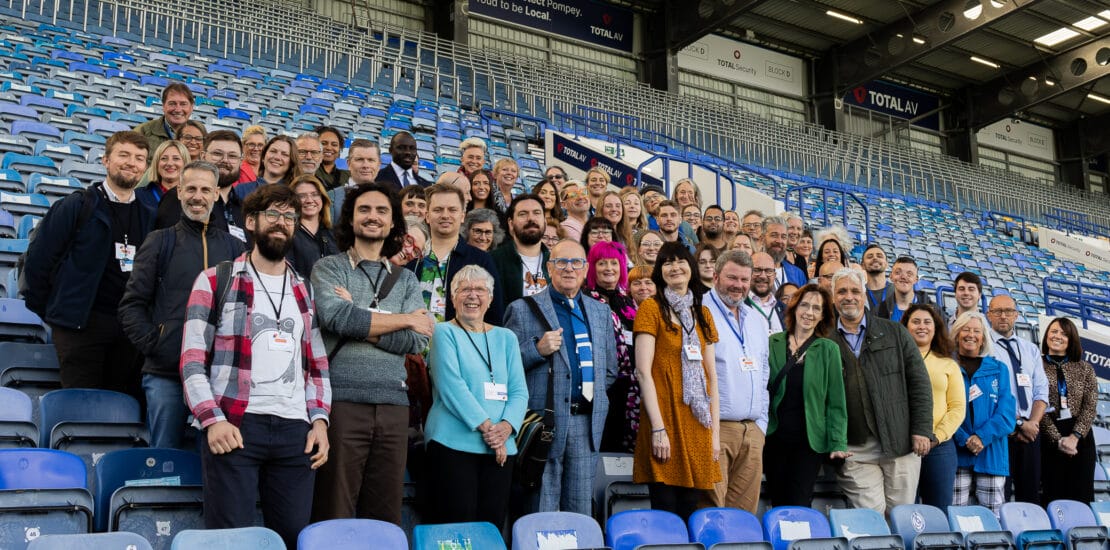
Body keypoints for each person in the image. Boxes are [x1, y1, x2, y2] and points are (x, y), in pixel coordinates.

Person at [179, 184, 330, 549]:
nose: (282, 223)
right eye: (274, 215)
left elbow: (317, 365)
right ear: (251, 221)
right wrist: (212, 420)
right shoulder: (216, 279)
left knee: (293, 537)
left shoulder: (303, 288)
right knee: (232, 540)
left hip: (296, 431)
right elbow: (191, 360)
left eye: (290, 217)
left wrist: (321, 422)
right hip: (236, 424)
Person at [309, 182, 432, 524]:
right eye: (364, 209)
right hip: (342, 403)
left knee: (385, 513)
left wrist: (363, 319)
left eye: (382, 211)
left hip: (394, 406)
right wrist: (403, 319)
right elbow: (336, 317)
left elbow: (416, 342)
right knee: (335, 507)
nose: (373, 217)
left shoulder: (406, 280)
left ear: (394, 223)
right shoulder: (329, 268)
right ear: (350, 218)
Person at [119, 161, 244, 449]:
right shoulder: (159, 241)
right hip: (167, 375)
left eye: (204, 190)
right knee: (165, 458)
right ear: (178, 191)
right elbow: (131, 305)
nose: (197, 196)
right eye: (190, 189)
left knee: (213, 462)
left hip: (217, 378)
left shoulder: (235, 249)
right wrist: (158, 343)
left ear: (216, 194)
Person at [22, 131, 154, 400]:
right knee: (81, 409)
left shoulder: (150, 214)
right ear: (105, 160)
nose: (132, 163)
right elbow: (38, 263)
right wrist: (59, 316)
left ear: (146, 167)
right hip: (80, 328)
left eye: (140, 158)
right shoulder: (76, 205)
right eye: (124, 155)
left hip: (129, 331)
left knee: (120, 412)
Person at [503, 239, 618, 516]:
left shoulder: (600, 312)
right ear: (549, 268)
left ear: (585, 268)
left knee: (579, 509)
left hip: (586, 423)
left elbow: (610, 370)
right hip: (545, 423)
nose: (569, 269)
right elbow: (505, 368)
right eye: (561, 262)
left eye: (576, 262)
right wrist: (536, 349)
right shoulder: (522, 309)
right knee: (540, 506)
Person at [425, 265, 528, 525]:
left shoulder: (507, 338)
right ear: (452, 297)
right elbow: (452, 387)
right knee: (457, 527)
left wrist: (506, 427)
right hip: (453, 444)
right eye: (465, 289)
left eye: (480, 289)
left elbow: (518, 391)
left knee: (491, 527)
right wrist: (491, 432)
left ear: (491, 298)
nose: (472, 296)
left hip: (502, 447)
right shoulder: (443, 332)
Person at [829, 268, 933, 515]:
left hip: (900, 441)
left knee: (902, 515)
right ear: (833, 297)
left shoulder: (895, 332)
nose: (849, 297)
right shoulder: (825, 340)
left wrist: (921, 429)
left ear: (864, 295)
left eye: (855, 291)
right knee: (872, 517)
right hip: (855, 447)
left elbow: (919, 382)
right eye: (842, 291)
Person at [632, 242, 720, 522]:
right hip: (664, 421)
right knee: (666, 510)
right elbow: (643, 372)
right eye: (667, 262)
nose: (674, 267)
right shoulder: (651, 308)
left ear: (690, 267)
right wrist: (658, 428)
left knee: (690, 510)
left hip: (697, 424)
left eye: (680, 260)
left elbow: (712, 379)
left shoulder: (703, 314)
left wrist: (715, 434)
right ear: (660, 271)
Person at [764, 284, 848, 507]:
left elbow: (836, 402)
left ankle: (797, 542)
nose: (809, 313)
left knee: (799, 502)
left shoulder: (829, 349)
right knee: (777, 501)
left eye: (816, 308)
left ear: (822, 316)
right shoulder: (773, 342)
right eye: (805, 305)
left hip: (808, 443)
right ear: (794, 307)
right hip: (774, 439)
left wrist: (837, 441)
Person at [704, 251, 772, 512]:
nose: (738, 285)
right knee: (711, 509)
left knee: (744, 514)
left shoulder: (755, 319)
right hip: (716, 430)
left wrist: (761, 426)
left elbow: (764, 372)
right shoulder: (699, 310)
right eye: (732, 277)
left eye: (745, 279)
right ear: (716, 275)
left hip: (752, 431)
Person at [407, 184, 502, 325]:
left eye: (452, 210)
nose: (445, 215)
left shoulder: (481, 260)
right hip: (411, 344)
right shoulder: (411, 257)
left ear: (462, 216)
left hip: (461, 345)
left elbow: (494, 314)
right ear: (427, 216)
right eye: (438, 210)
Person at [951, 311, 1015, 515]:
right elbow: (943, 410)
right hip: (956, 454)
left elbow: (1006, 414)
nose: (971, 335)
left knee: (992, 519)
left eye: (976, 331)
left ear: (983, 337)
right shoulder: (948, 366)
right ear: (956, 334)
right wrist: (964, 438)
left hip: (991, 454)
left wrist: (981, 437)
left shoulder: (999, 369)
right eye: (965, 329)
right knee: (956, 517)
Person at [987, 294, 1049, 504]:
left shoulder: (1030, 349)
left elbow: (1041, 392)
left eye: (1008, 311)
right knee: (999, 497)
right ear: (989, 315)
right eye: (997, 311)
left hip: (1031, 434)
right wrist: (1018, 424)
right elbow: (989, 395)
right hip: (1001, 432)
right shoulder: (984, 348)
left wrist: (1032, 423)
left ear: (1017, 315)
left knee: (1030, 495)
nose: (1003, 316)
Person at [902, 304, 965, 509]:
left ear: (936, 328)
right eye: (916, 321)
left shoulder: (948, 364)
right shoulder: (894, 361)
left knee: (938, 510)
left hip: (939, 447)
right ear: (905, 327)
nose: (922, 326)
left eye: (927, 322)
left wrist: (936, 437)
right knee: (904, 508)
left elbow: (957, 408)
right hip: (901, 446)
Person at [585, 241, 639, 454]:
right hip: (604, 386)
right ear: (592, 267)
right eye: (602, 263)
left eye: (614, 263)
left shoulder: (628, 302)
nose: (609, 268)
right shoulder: (587, 299)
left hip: (632, 387)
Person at [1039, 317, 1097, 505]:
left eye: (1064, 334)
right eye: (1054, 331)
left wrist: (1074, 437)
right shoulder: (1036, 365)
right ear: (1046, 334)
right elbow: (1037, 404)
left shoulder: (1084, 368)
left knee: (1081, 496)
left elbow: (1090, 406)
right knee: (1053, 496)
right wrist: (1058, 440)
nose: (1058, 336)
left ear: (1071, 339)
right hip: (1049, 437)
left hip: (1081, 439)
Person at [156, 130, 247, 241]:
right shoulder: (179, 197)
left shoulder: (244, 208)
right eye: (217, 154)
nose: (225, 160)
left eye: (232, 156)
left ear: (241, 161)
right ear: (203, 156)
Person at [492, 194, 550, 305]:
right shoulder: (493, 261)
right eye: (523, 214)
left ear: (545, 221)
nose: (531, 218)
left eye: (537, 213)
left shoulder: (556, 262)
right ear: (511, 223)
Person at [287, 175, 338, 278]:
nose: (309, 200)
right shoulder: (288, 233)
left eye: (315, 195)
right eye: (302, 196)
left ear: (322, 198)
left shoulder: (335, 234)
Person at [134, 82, 203, 151]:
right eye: (172, 104)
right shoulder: (143, 131)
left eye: (183, 104)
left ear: (191, 107)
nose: (178, 109)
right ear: (163, 106)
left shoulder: (202, 136)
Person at [327, 139, 381, 223]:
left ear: (379, 165)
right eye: (359, 159)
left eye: (371, 160)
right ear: (348, 164)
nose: (366, 165)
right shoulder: (331, 198)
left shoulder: (388, 198)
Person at [876, 257, 935, 322]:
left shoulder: (934, 310)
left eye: (909, 274)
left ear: (916, 279)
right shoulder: (879, 311)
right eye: (898, 272)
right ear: (891, 277)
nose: (903, 277)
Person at [136, 139, 188, 210]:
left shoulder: (193, 196)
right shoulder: (139, 195)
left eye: (176, 158)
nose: (169, 163)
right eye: (164, 158)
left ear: (185, 164)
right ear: (157, 163)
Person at [761, 216, 807, 289]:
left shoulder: (798, 274)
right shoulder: (751, 269)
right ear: (762, 238)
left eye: (783, 237)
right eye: (774, 235)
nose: (779, 241)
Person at [749, 252, 785, 334]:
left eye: (768, 271)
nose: (763, 276)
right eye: (757, 270)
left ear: (774, 275)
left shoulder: (784, 309)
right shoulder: (738, 306)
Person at [315, 126, 351, 190]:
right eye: (323, 143)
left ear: (340, 149)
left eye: (334, 145)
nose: (329, 148)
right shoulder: (305, 171)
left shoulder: (348, 176)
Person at [862, 244, 892, 313]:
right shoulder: (859, 292)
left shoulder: (897, 291)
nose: (875, 258)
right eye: (870, 257)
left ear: (887, 264)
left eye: (879, 256)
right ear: (863, 265)